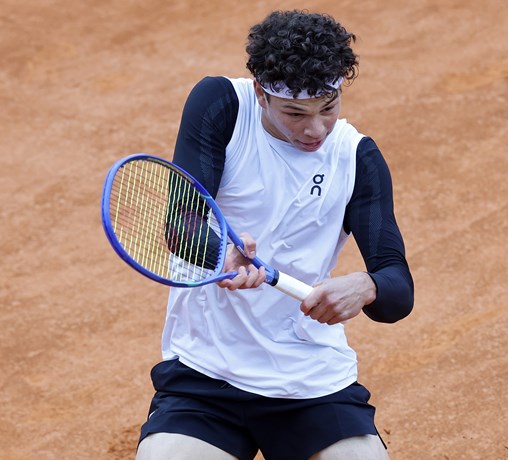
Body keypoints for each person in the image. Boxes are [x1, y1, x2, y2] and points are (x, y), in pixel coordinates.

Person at [135, 10, 414, 460]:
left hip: (310, 380)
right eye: (295, 113)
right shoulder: (223, 106)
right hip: (207, 374)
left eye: (328, 107)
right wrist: (223, 256)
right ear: (261, 94)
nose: (315, 129)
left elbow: (397, 291)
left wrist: (367, 286)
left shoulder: (356, 158)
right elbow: (182, 222)